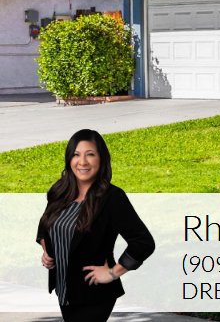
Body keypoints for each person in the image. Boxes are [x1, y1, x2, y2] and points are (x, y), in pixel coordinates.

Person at [36, 129, 155, 322]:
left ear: (101, 159)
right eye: (76, 154)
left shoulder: (112, 198)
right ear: (69, 159)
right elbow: (45, 226)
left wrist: (113, 273)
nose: (82, 162)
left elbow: (143, 242)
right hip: (65, 290)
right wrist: (47, 251)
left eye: (90, 154)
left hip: (94, 294)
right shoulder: (60, 191)